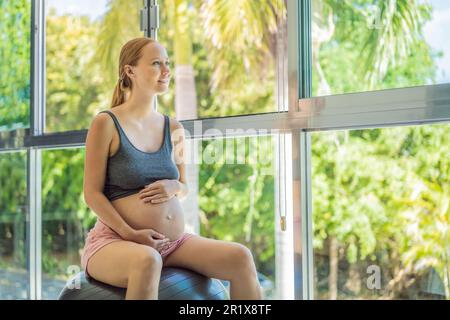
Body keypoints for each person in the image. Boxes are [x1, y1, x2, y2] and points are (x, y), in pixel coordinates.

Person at [81, 37, 262, 300]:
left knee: (240, 257)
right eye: (156, 64)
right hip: (116, 241)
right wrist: (132, 234)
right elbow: (92, 194)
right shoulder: (106, 123)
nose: (166, 71)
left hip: (172, 243)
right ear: (130, 71)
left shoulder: (174, 128)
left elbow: (185, 188)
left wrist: (175, 186)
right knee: (147, 261)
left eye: (167, 63)